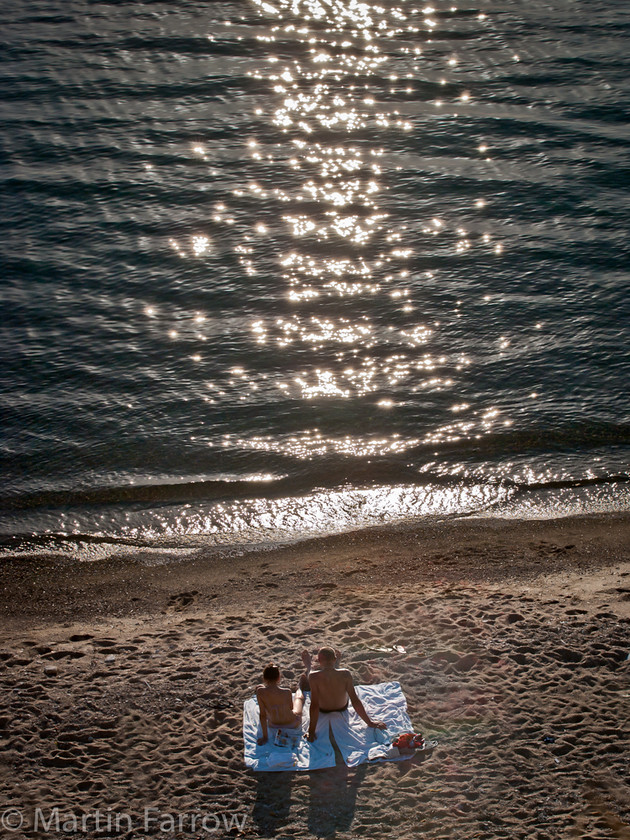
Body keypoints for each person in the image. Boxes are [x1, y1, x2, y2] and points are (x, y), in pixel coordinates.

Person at [301, 647, 386, 742]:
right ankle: (336, 666)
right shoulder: (346, 673)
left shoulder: (313, 677)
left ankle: (308, 665)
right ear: (335, 659)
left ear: (319, 660)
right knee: (337, 676)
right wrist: (370, 722)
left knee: (311, 673)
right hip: (342, 707)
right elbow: (355, 700)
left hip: (323, 709)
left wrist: (311, 731)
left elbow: (314, 705)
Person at [256, 663, 304, 746]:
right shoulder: (287, 692)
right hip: (292, 723)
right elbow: (291, 708)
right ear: (279, 678)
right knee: (298, 698)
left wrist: (265, 737)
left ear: (264, 678)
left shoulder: (260, 692)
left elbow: (263, 715)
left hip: (273, 724)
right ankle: (300, 688)